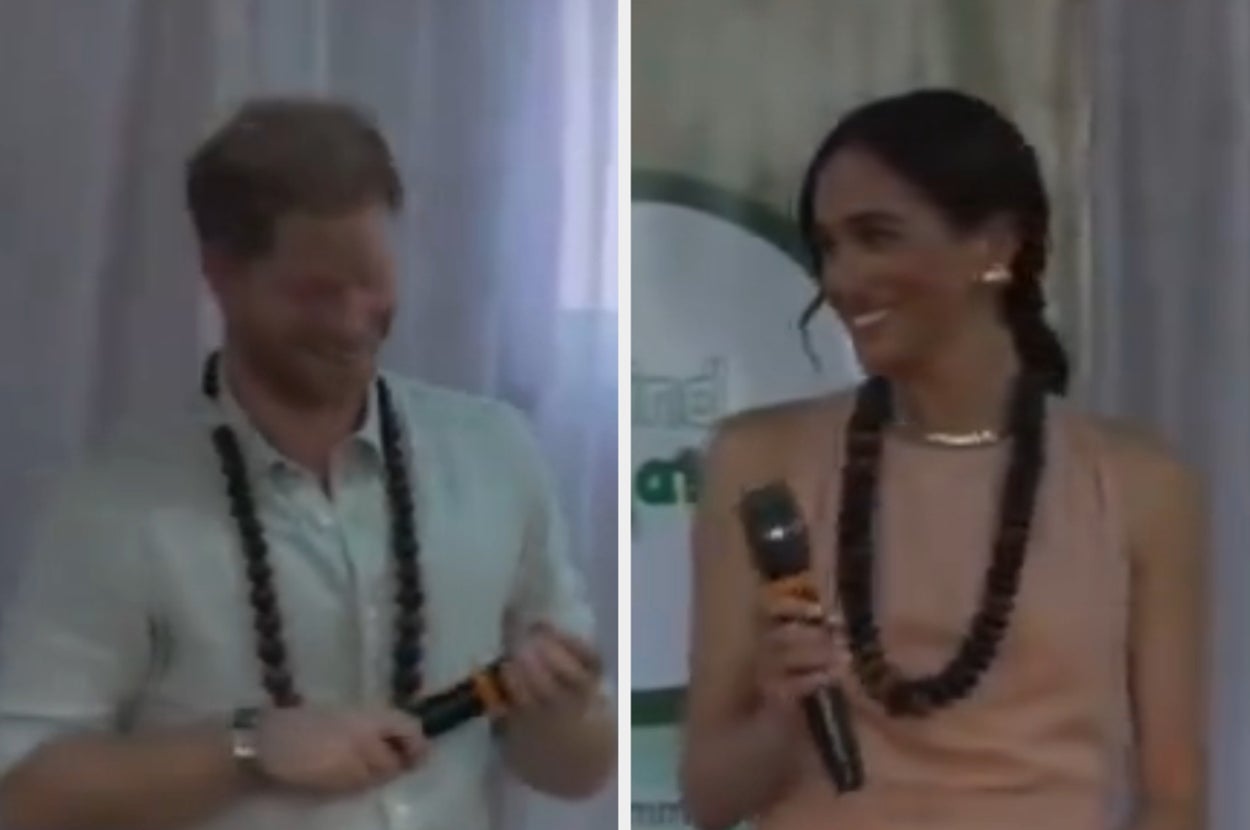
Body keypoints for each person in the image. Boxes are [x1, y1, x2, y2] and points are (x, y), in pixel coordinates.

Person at [0, 97, 615, 830]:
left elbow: (577, 774)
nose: (356, 322)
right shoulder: (112, 505)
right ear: (221, 274)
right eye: (317, 293)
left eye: (374, 279)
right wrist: (247, 745)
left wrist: (561, 715)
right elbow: (24, 794)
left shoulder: (497, 454)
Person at [680, 89, 1206, 830]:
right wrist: (779, 716)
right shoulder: (759, 461)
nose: (842, 279)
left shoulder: (1139, 482)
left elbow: (1174, 799)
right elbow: (710, 797)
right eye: (829, 246)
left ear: (995, 249)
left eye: (876, 237)